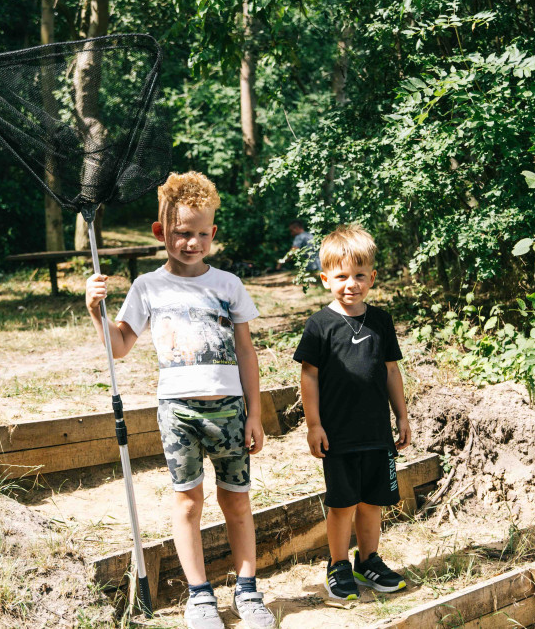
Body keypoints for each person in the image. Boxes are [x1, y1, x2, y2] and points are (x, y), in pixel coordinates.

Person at [86, 171, 275, 629]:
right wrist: (96, 311)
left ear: (213, 234)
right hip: (178, 411)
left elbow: (246, 350)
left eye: (199, 234)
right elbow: (120, 345)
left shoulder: (228, 284)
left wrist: (255, 413)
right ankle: (200, 595)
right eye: (180, 233)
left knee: (237, 501)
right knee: (188, 503)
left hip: (230, 410)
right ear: (160, 233)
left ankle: (247, 591)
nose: (190, 242)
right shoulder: (147, 287)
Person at [293, 223, 412, 600]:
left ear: (372, 277)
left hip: (376, 432)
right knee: (343, 504)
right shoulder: (320, 325)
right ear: (325, 277)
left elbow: (392, 370)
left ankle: (369, 560)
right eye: (342, 276)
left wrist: (402, 416)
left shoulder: (380, 321)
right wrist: (314, 425)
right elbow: (308, 376)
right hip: (339, 434)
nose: (351, 284)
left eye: (360, 275)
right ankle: (338, 563)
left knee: (373, 502)